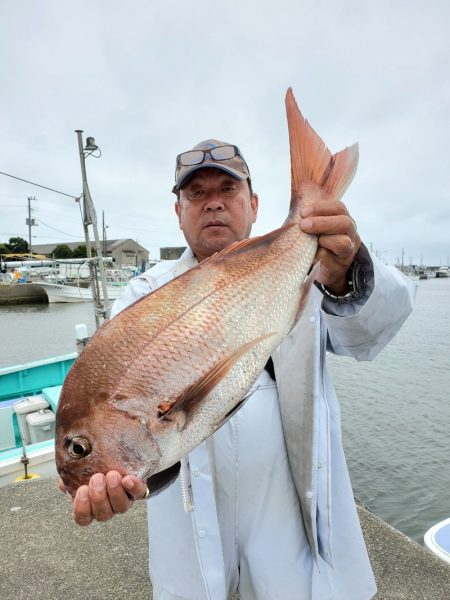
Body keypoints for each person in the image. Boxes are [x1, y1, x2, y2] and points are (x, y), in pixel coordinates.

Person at [62, 140, 416, 599]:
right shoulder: (141, 298)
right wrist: (128, 479)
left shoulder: (311, 267)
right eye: (196, 193)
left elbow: (375, 331)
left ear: (253, 204)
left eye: (227, 189)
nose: (212, 201)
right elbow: (128, 421)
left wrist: (348, 270)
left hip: (287, 517)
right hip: (190, 531)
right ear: (178, 212)